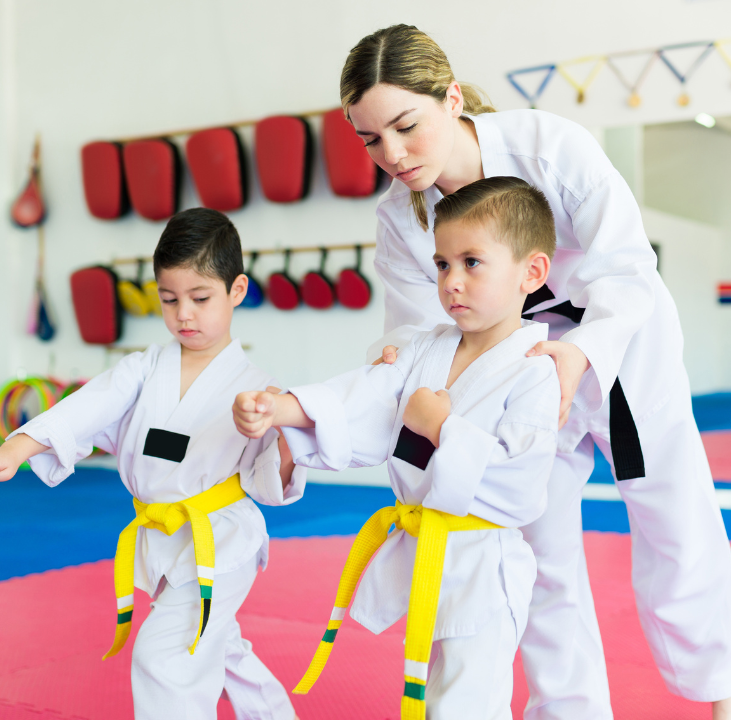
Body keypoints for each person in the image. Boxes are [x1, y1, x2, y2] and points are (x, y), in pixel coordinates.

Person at [336, 24, 731, 720]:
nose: (393, 155)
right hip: (510, 378)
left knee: (675, 522)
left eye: (406, 126)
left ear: (453, 98)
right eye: (370, 139)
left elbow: (626, 265)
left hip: (620, 354)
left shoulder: (550, 148)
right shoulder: (400, 221)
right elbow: (418, 336)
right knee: (537, 544)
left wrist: (583, 353)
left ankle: (722, 700)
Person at [234, 177, 561, 720]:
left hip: (484, 563)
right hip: (431, 553)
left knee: (468, 704)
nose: (452, 281)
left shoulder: (535, 373)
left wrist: (443, 427)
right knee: (437, 699)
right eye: (442, 264)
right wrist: (284, 409)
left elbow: (519, 483)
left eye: (472, 262)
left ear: (532, 272)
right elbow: (366, 400)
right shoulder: (426, 348)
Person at [0, 208, 303, 720]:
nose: (183, 315)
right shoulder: (143, 368)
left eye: (200, 298)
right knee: (217, 645)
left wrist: (277, 429)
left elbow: (270, 480)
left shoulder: (254, 388)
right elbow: (87, 407)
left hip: (219, 541)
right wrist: (13, 450)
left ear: (237, 290)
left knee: (166, 658)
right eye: (169, 300)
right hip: (163, 536)